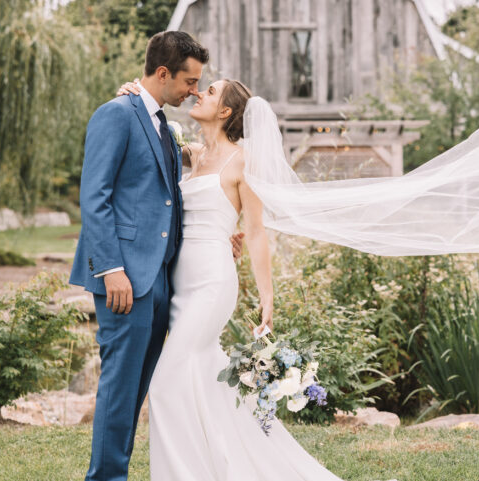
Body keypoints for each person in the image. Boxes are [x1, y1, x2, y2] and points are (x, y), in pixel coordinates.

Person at [116, 77, 347, 480]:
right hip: (179, 283)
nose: (198, 92)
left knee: (166, 383)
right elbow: (146, 139)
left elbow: (255, 231)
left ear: (225, 111)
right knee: (204, 379)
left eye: (209, 92)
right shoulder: (191, 153)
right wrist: (132, 96)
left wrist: (267, 297)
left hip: (212, 282)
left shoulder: (243, 161)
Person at [70, 32, 243, 481]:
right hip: (124, 279)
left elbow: (168, 201)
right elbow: (95, 197)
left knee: (136, 389)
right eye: (189, 81)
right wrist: (111, 269)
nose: (194, 91)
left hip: (162, 280)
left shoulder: (163, 126)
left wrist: (218, 235)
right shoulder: (116, 114)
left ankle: (118, 471)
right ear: (163, 73)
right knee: (119, 387)